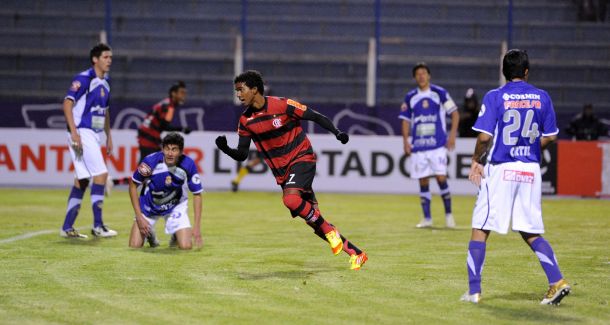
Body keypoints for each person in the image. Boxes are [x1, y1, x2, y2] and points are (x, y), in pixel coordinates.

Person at [215, 70, 367, 270]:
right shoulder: (246, 120)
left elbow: (314, 116)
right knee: (314, 220)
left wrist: (337, 132)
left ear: (254, 89)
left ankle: (331, 231)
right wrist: (225, 149)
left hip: (302, 158)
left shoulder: (282, 105)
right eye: (236, 91)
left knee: (291, 200)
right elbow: (243, 154)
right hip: (283, 173)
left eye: (241, 90)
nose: (238, 95)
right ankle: (357, 254)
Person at [461, 49, 570, 305]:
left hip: (502, 168)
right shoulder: (542, 97)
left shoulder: (495, 96)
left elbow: (485, 137)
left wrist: (476, 160)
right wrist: (531, 148)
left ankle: (474, 291)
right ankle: (557, 281)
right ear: (527, 71)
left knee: (480, 227)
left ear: (504, 72)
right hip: (530, 170)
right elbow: (551, 135)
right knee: (529, 229)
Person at [60, 43, 117, 239]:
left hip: (92, 133)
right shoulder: (84, 79)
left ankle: (67, 228)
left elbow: (106, 111)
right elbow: (67, 104)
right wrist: (74, 133)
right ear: (95, 59)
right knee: (100, 174)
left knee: (83, 180)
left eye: (110, 57)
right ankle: (98, 226)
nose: (109, 60)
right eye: (105, 57)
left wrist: (109, 135)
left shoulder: (106, 82)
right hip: (81, 131)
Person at [399, 62, 459, 229]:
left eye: (424, 73)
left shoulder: (439, 93)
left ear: (429, 75)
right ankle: (427, 218)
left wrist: (452, 135)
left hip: (437, 145)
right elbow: (405, 120)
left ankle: (449, 216)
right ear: (414, 77)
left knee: (441, 178)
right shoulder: (410, 97)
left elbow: (454, 114)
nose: (421, 76)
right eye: (418, 74)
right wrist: (405, 141)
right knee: (423, 181)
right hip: (418, 146)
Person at [109, 81, 191, 190]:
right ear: (173, 93)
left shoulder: (165, 103)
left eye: (184, 93)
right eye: (181, 93)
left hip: (148, 137)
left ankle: (114, 182)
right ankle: (113, 182)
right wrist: (182, 129)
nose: (183, 96)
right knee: (148, 170)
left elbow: (159, 124)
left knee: (150, 169)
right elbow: (164, 125)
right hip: (149, 138)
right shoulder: (169, 106)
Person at [128, 133, 203, 250]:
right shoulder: (150, 162)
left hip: (175, 205)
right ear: (162, 149)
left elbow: (197, 194)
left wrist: (197, 226)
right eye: (167, 149)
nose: (170, 153)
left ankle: (175, 233)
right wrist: (139, 217)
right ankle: (150, 233)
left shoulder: (188, 164)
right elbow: (133, 185)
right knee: (134, 246)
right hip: (150, 205)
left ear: (181, 151)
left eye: (174, 149)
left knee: (186, 247)